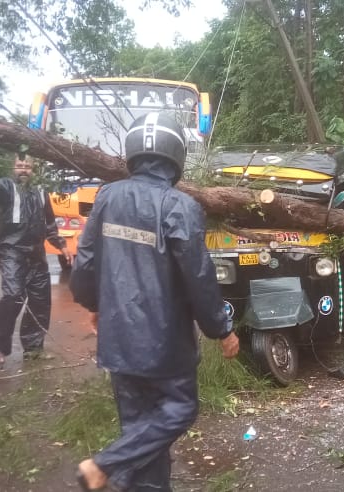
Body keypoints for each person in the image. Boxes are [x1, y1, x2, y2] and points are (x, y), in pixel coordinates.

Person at [70, 112, 240, 491]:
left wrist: (94, 305)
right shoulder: (180, 206)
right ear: (176, 157)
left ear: (132, 153)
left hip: (118, 342)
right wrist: (222, 329)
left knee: (141, 432)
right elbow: (199, 277)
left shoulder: (107, 197)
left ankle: (124, 475)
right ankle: (102, 464)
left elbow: (84, 265)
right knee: (179, 410)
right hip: (165, 349)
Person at [0, 158, 70, 366]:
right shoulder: (7, 186)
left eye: (27, 167)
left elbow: (50, 224)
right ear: (13, 168)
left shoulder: (42, 191)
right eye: (19, 166)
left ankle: (33, 350)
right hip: (11, 251)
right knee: (13, 295)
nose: (23, 170)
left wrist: (61, 244)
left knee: (40, 301)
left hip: (36, 254)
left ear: (34, 170)